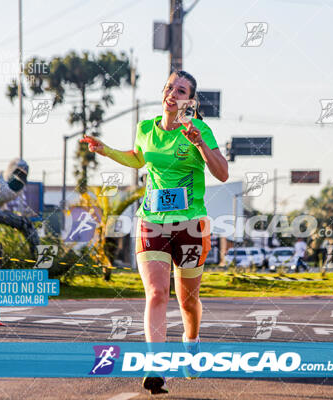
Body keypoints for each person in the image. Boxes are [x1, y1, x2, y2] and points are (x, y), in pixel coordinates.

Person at [81, 70, 228, 394]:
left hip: (192, 225)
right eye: (169, 87)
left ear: (191, 100)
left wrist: (199, 143)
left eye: (181, 90)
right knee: (157, 293)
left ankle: (191, 344)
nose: (172, 93)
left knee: (187, 300)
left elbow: (222, 172)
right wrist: (106, 150)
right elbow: (137, 158)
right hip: (152, 221)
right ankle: (156, 366)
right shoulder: (145, 129)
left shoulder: (199, 129)